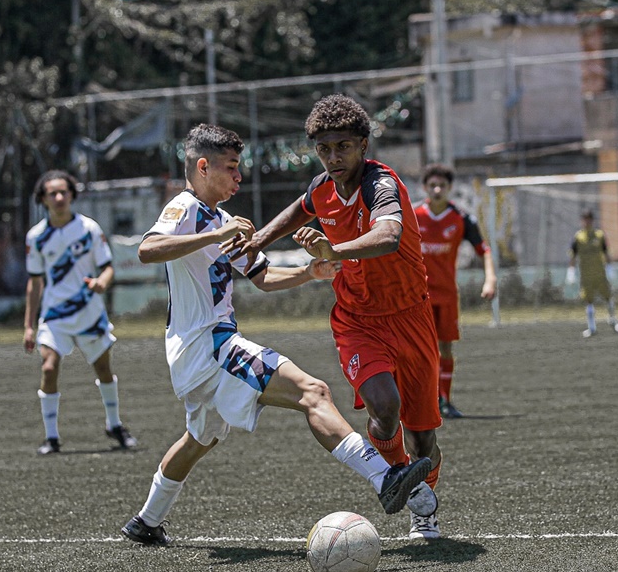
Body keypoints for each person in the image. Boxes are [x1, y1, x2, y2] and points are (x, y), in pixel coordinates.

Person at [120, 124, 431, 546]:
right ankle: (385, 477)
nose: (238, 177)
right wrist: (214, 236)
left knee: (200, 438)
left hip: (202, 349)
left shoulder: (225, 219)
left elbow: (263, 276)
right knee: (313, 392)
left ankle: (145, 521)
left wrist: (309, 272)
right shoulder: (186, 207)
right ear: (203, 166)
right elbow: (147, 248)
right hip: (208, 344)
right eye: (231, 168)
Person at [237, 95, 444, 539]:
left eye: (343, 147)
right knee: (384, 408)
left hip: (411, 316)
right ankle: (401, 484)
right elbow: (299, 210)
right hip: (357, 319)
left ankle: (423, 502)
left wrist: (335, 251)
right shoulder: (322, 187)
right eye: (325, 149)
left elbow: (388, 235)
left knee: (423, 434)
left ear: (363, 145)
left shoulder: (380, 184)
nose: (334, 158)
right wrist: (260, 240)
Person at [24, 170, 137, 455]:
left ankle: (114, 424)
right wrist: (28, 326)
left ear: (72, 195)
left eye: (64, 192)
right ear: (43, 199)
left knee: (103, 369)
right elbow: (35, 282)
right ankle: (51, 437)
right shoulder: (36, 237)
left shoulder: (89, 229)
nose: (60, 197)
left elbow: (108, 266)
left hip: (89, 312)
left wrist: (102, 282)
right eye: (53, 193)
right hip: (54, 315)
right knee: (48, 368)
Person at [414, 163, 496, 419]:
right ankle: (419, 401)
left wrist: (490, 278)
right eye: (432, 185)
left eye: (442, 185)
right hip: (416, 296)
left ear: (450, 188)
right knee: (418, 351)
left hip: (447, 294)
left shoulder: (461, 219)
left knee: (445, 348)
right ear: (425, 188)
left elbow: (484, 250)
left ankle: (445, 401)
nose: (437, 189)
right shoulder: (412, 217)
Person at [566, 209, 618, 338]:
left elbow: (606, 252)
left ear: (592, 220)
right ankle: (592, 328)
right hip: (586, 276)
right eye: (584, 219)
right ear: (582, 221)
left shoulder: (599, 235)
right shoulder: (578, 237)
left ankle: (613, 320)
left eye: (588, 219)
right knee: (589, 301)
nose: (586, 222)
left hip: (600, 274)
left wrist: (609, 268)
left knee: (608, 297)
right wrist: (571, 272)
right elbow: (572, 256)